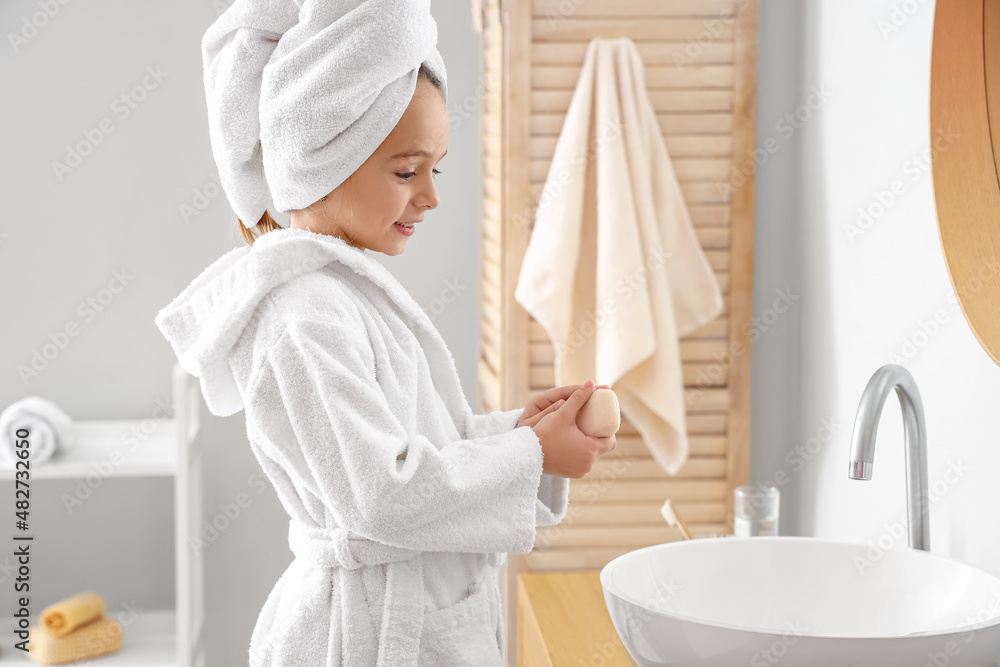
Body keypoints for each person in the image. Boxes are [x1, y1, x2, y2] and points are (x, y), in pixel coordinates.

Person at [155, 3, 616, 666]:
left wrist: (518, 431)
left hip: (418, 613)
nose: (430, 196)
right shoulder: (303, 315)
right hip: (367, 635)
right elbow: (382, 495)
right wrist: (531, 455)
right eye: (407, 172)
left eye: (436, 169)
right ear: (324, 158)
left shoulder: (344, 292)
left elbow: (409, 445)